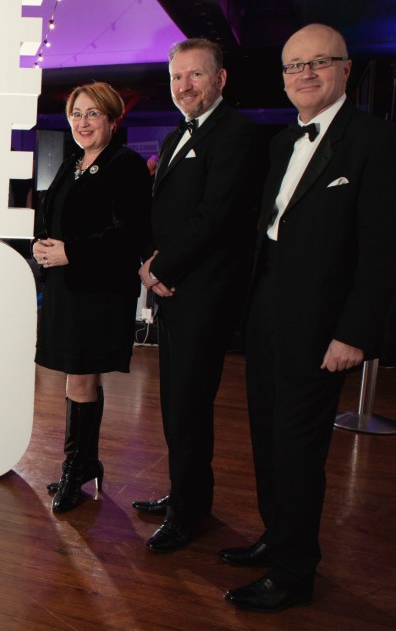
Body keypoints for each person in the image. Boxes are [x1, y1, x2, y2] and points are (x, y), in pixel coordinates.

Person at [223, 24, 396, 613]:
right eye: (293, 66)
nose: (305, 74)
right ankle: (277, 537)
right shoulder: (282, 144)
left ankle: (294, 571)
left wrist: (354, 333)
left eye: (319, 62)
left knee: (299, 451)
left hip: (323, 329)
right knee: (266, 440)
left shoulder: (376, 142)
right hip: (267, 316)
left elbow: (382, 252)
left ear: (346, 69)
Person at [134, 38, 264, 551]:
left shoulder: (238, 135)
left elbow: (218, 217)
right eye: (176, 78)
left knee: (188, 404)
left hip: (205, 294)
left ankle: (188, 513)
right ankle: (185, 493)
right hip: (174, 290)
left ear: (220, 80)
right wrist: (151, 265)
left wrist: (158, 268)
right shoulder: (175, 138)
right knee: (175, 404)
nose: (184, 86)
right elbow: (162, 212)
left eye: (195, 76)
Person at [34, 82, 151, 513]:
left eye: (93, 114)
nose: (83, 123)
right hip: (67, 286)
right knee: (75, 377)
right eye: (76, 114)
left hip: (99, 288)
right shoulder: (71, 165)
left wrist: (71, 251)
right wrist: (40, 246)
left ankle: (76, 466)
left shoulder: (127, 166)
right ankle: (83, 462)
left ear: (112, 119)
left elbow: (128, 234)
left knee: (81, 376)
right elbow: (48, 218)